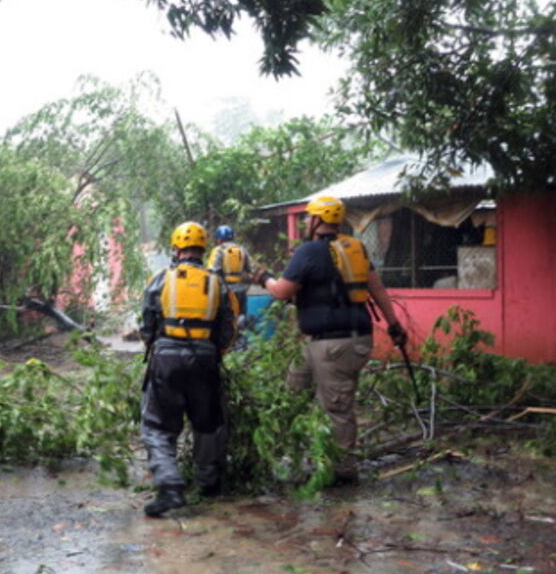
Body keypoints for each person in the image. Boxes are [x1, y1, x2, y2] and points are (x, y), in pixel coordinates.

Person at [255, 196, 408, 485]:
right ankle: (292, 455)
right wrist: (394, 325)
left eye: (308, 218)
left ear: (315, 220)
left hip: (333, 346)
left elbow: (282, 292)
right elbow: (378, 290)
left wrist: (263, 277)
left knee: (336, 407)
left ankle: (343, 472)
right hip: (336, 341)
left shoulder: (309, 252)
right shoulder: (356, 248)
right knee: (293, 393)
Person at [139, 221, 237, 517]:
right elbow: (228, 328)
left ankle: (170, 486)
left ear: (176, 248)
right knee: (208, 423)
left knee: (156, 425)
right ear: (203, 248)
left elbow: (146, 325)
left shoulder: (159, 279)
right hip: (205, 361)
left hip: (167, 360)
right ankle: (209, 483)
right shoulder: (217, 282)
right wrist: (214, 351)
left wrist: (156, 346)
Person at [207, 225, 252, 344]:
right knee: (241, 319)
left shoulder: (218, 250)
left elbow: (212, 273)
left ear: (219, 238)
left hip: (226, 292)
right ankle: (242, 346)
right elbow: (250, 270)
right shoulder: (242, 250)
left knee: (226, 321)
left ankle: (228, 347)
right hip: (241, 291)